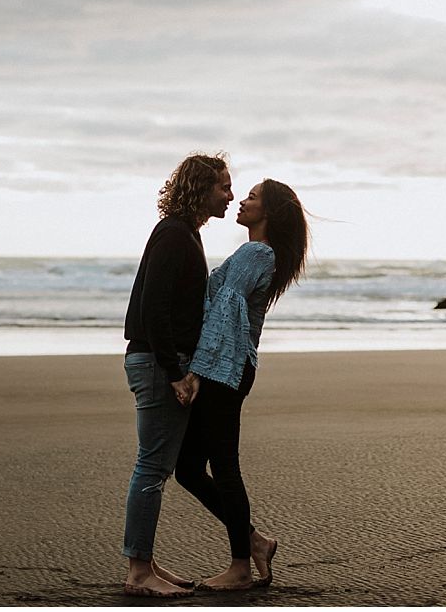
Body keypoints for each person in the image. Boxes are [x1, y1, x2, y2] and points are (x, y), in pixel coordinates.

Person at [174, 179, 307, 591]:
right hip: (226, 367)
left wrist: (196, 370)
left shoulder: (256, 252)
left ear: (269, 212)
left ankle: (240, 567)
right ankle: (255, 542)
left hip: (224, 370)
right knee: (189, 470)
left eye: (251, 197)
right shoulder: (259, 254)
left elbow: (225, 311)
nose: (243, 201)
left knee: (223, 467)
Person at [121, 153, 234, 599]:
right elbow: (153, 307)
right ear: (200, 188)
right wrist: (175, 371)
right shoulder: (174, 234)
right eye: (223, 186)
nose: (230, 195)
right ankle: (138, 571)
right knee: (151, 467)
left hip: (160, 360)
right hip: (156, 362)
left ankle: (144, 563)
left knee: (158, 466)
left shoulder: (184, 233)